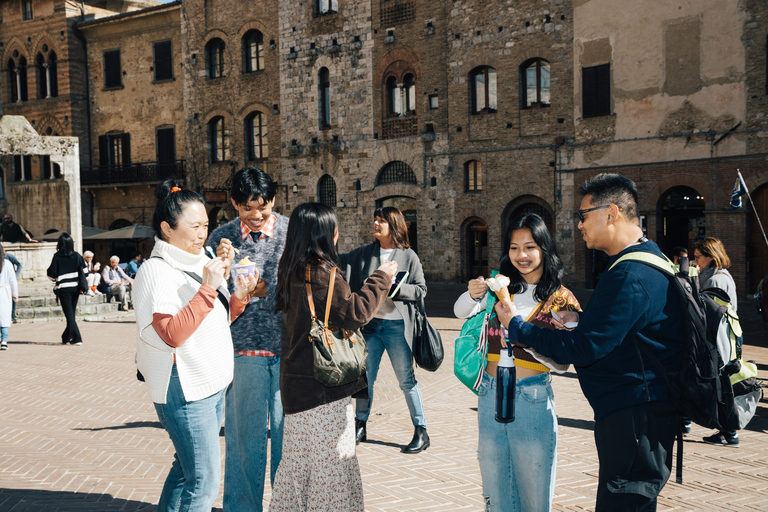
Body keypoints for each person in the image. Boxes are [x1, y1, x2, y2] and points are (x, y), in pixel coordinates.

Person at [495, 173, 684, 511]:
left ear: (611, 213)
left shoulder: (630, 276)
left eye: (583, 215)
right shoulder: (644, 260)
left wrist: (518, 327)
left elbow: (584, 347)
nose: (579, 225)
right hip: (638, 413)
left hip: (635, 420)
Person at [134, 179, 259, 512]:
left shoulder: (197, 260)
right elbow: (171, 334)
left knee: (186, 468)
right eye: (195, 226)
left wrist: (239, 297)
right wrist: (208, 289)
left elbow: (214, 319)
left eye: (206, 225)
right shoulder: (155, 271)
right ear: (167, 228)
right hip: (185, 386)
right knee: (204, 481)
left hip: (211, 381)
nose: (203, 233)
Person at [271, 202, 397, 512]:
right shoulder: (323, 272)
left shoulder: (289, 268)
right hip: (322, 388)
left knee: (299, 467)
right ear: (326, 234)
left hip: (295, 389)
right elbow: (355, 313)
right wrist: (381, 278)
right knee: (330, 469)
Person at [453, 213, 581, 512]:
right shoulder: (502, 288)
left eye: (530, 247)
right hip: (490, 392)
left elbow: (563, 362)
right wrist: (473, 294)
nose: (521, 255)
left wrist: (521, 328)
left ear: (544, 250)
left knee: (534, 491)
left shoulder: (560, 298)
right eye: (513, 247)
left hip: (532, 396)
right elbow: (461, 312)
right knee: (495, 489)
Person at [207, 167, 288, 512]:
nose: (256, 216)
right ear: (234, 204)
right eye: (247, 209)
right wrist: (221, 269)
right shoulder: (220, 239)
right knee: (244, 443)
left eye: (263, 208)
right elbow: (212, 299)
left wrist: (267, 291)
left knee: (290, 441)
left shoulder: (291, 232)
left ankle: (287, 506)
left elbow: (304, 288)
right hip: (241, 352)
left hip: (289, 351)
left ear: (273, 200)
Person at [339, 207, 429, 453]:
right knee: (365, 378)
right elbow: (341, 261)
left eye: (382, 221)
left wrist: (397, 290)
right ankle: (360, 424)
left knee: (406, 380)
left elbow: (421, 290)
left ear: (394, 225)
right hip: (370, 326)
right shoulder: (365, 254)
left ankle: (421, 430)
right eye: (375, 219)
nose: (376, 224)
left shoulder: (408, 256)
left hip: (398, 327)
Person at [692, 237, 740, 447]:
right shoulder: (717, 275)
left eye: (698, 257)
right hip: (723, 339)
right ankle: (726, 430)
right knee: (720, 386)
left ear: (710, 257)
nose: (695, 262)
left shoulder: (715, 280)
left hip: (719, 341)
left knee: (721, 387)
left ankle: (730, 432)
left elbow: (710, 314)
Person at [46, 233, 86, 346]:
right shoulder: (77, 256)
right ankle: (66, 337)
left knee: (69, 315)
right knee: (71, 314)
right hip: (76, 289)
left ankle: (77, 338)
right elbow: (85, 272)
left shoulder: (57, 257)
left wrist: (58, 278)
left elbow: (51, 275)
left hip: (64, 290)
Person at [0, 245, 18, 350]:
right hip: (4, 291)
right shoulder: (7, 264)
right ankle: (4, 341)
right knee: (4, 317)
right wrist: (15, 294)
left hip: (4, 289)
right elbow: (13, 281)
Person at [5, 252, 21, 322]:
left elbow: (19, 264)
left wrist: (15, 275)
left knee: (13, 296)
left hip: (10, 279)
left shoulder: (8, 256)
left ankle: (13, 315)